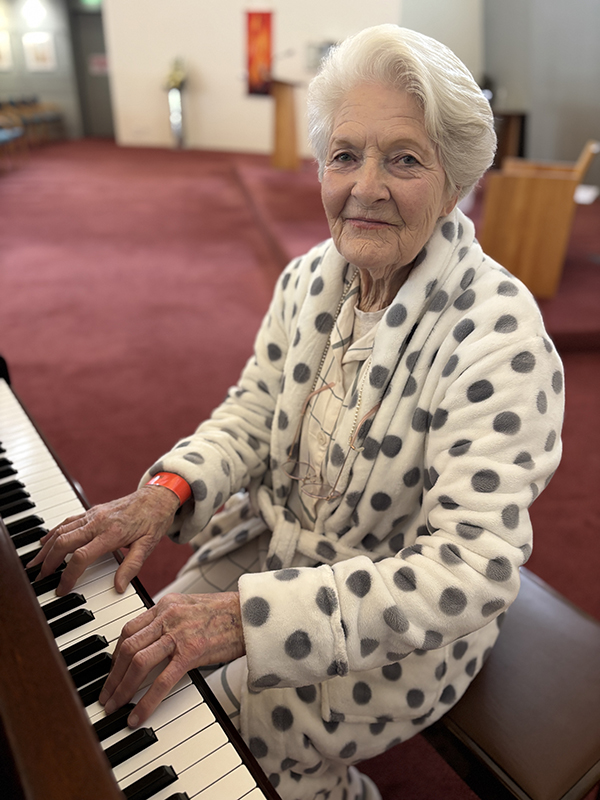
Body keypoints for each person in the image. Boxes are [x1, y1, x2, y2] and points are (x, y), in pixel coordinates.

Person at [30, 24, 565, 800]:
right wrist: (165, 493)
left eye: (404, 159)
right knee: (136, 653)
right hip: (276, 545)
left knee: (254, 741)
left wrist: (248, 623)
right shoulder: (312, 277)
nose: (365, 186)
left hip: (401, 620)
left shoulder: (500, 337)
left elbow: (468, 572)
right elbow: (252, 412)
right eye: (345, 154)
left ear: (454, 184)